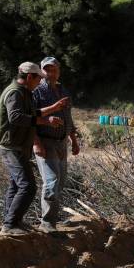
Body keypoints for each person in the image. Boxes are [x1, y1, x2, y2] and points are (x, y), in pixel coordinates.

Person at [0, 62, 64, 236]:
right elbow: (16, 117)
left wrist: (53, 109)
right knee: (28, 186)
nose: (40, 82)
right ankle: (10, 225)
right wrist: (45, 121)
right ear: (29, 77)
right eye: (38, 78)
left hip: (17, 145)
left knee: (15, 185)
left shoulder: (24, 93)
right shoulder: (15, 93)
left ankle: (12, 221)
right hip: (12, 146)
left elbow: (33, 113)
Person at [32, 56, 78, 233]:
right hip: (45, 141)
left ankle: (52, 219)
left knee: (60, 182)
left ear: (59, 71)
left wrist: (74, 140)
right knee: (51, 181)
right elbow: (31, 119)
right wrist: (36, 143)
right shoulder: (37, 91)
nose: (50, 73)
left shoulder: (63, 90)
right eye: (47, 69)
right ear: (42, 71)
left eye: (54, 69)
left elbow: (69, 118)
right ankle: (47, 223)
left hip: (62, 143)